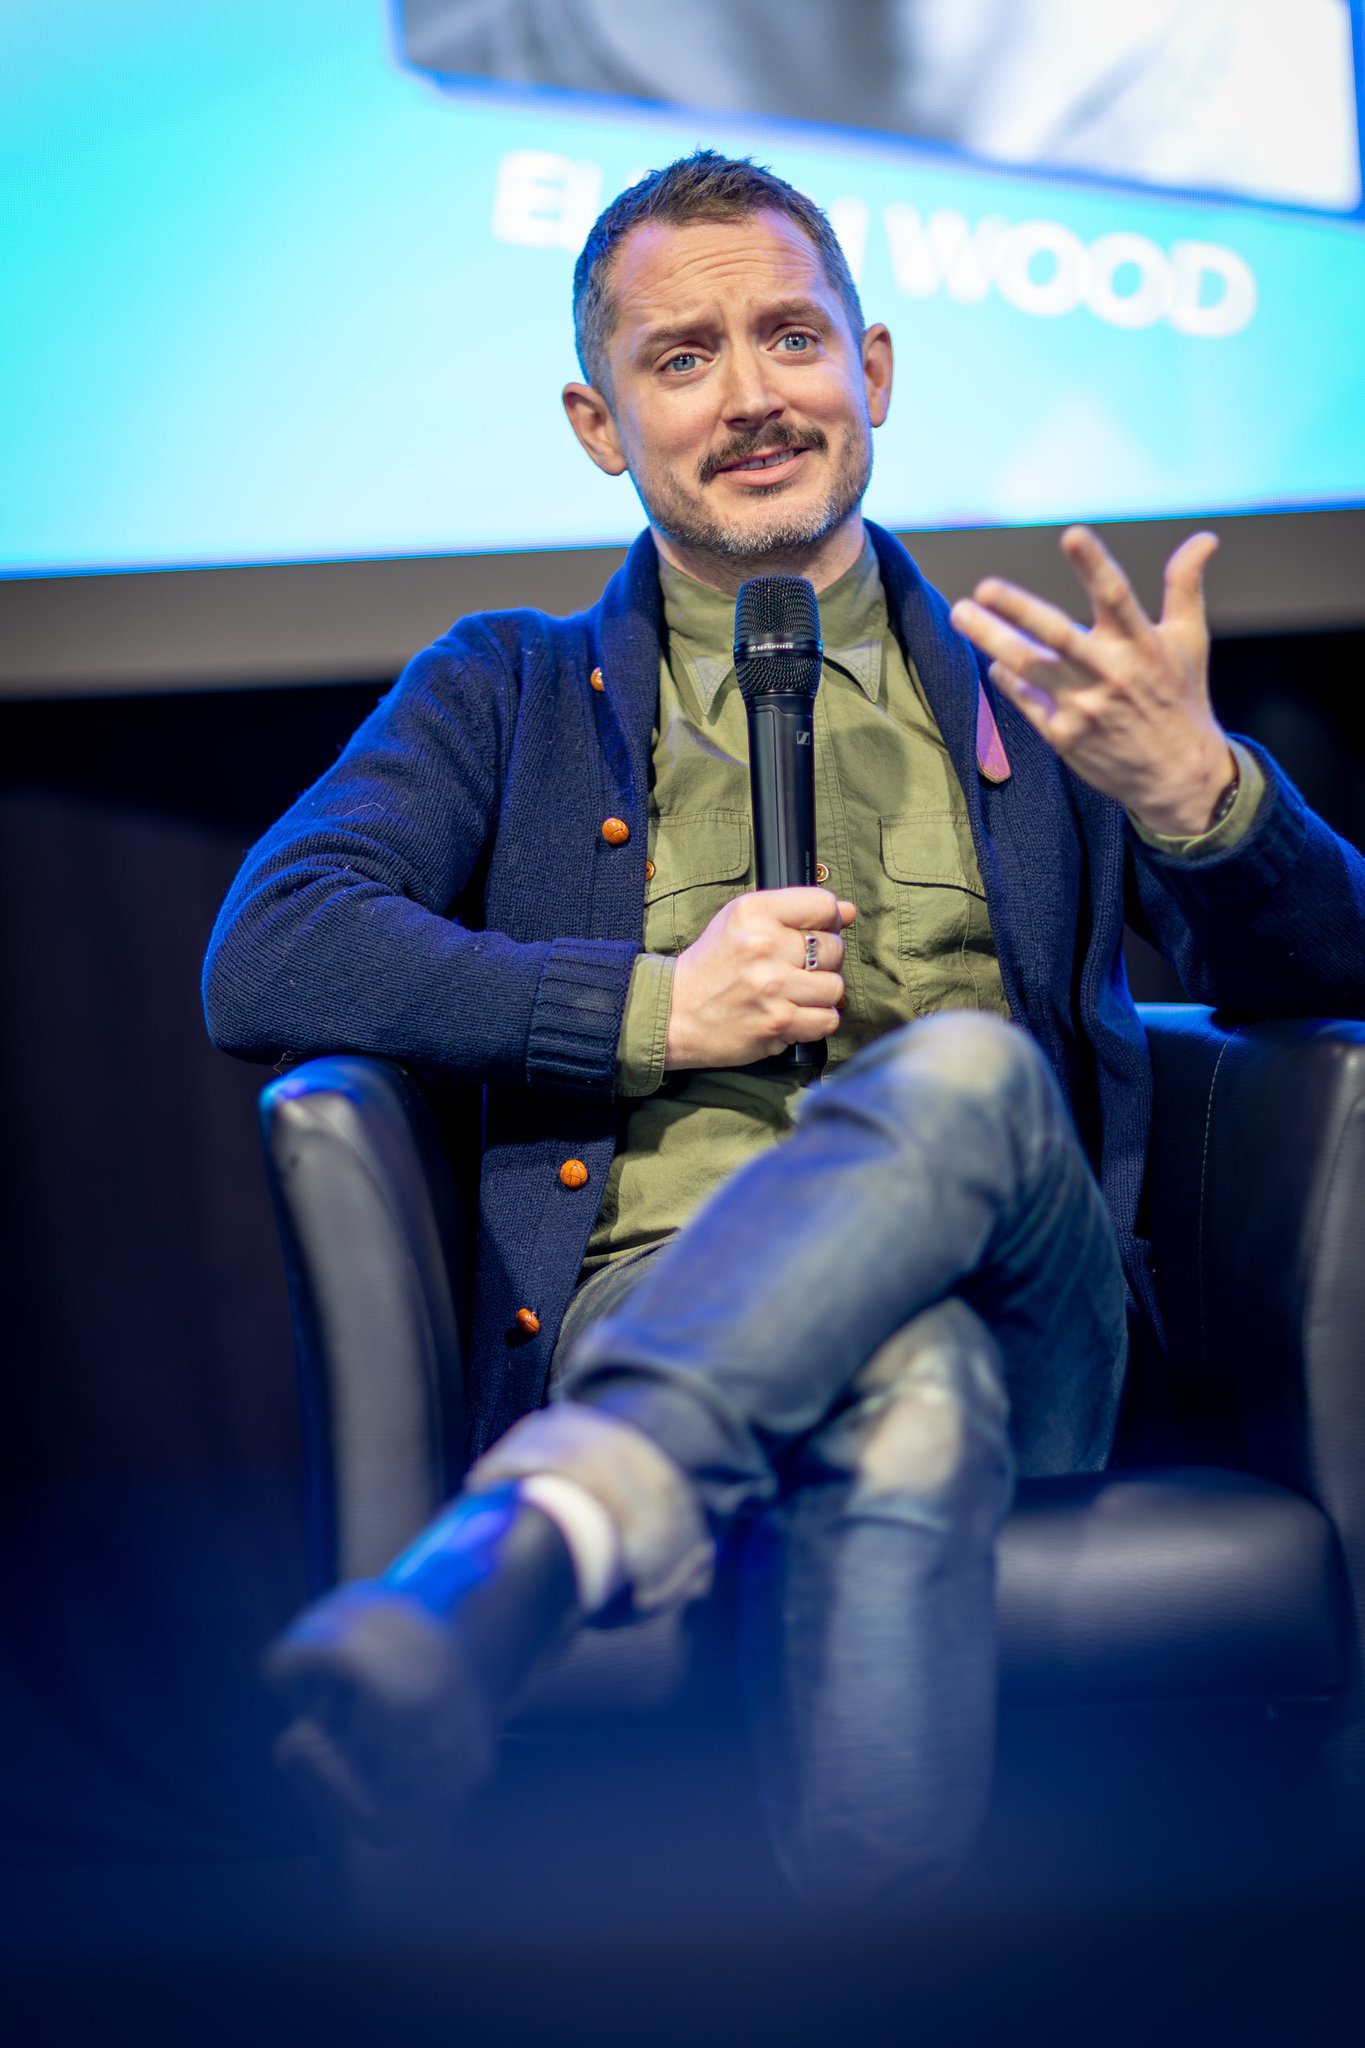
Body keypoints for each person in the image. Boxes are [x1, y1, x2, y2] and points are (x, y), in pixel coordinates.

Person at [204, 150, 1365, 1903]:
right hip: (648, 1296)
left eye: (791, 339)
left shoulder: (1037, 689)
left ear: (871, 371)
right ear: (599, 425)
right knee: (905, 1397)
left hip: (1034, 1316)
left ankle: (558, 1521)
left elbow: (1329, 967)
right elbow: (271, 950)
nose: (749, 396)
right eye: (681, 359)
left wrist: (1206, 802)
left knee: (965, 1072)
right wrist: (653, 1006)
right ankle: (872, 1978)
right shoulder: (507, 689)